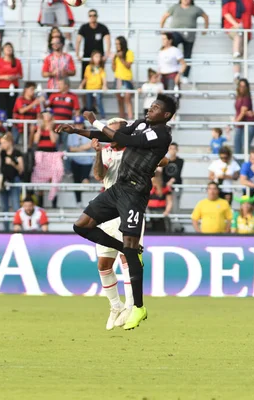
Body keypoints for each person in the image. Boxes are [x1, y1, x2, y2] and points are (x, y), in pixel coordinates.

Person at [57, 94, 178, 330]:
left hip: (135, 194)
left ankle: (139, 308)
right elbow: (109, 137)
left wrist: (94, 121)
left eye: (155, 108)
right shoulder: (142, 124)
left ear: (165, 115)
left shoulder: (162, 134)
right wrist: (76, 131)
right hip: (118, 188)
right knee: (81, 225)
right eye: (150, 105)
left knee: (131, 254)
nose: (149, 109)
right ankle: (125, 249)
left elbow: (126, 140)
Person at [89, 117, 138, 330]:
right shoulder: (107, 152)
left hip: (128, 209)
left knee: (127, 257)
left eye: (114, 131)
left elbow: (163, 161)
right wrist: (98, 152)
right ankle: (115, 306)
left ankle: (130, 305)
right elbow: (99, 175)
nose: (110, 134)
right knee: (103, 264)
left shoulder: (136, 150)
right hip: (108, 209)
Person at [159, 0, 209, 85]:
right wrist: (162, 29)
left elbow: (205, 17)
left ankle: (185, 76)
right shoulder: (175, 7)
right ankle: (171, 70)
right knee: (172, 49)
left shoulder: (195, 9)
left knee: (187, 56)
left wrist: (205, 29)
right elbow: (164, 16)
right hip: (176, 33)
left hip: (189, 36)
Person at [31, 110, 63, 208]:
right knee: (40, 178)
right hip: (41, 154)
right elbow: (36, 140)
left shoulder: (55, 128)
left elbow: (53, 141)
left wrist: (49, 129)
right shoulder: (38, 127)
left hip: (52, 154)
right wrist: (40, 128)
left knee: (53, 177)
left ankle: (54, 202)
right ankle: (41, 203)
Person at [222, 0, 254, 80]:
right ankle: (236, 53)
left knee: (241, 52)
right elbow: (226, 13)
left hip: (246, 30)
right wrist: (236, 24)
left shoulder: (250, 1)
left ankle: (238, 75)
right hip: (233, 27)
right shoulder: (229, 1)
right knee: (238, 35)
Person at [67, 116, 94, 208]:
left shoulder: (88, 133)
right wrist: (82, 148)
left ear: (83, 124)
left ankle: (89, 202)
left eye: (80, 124)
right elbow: (71, 149)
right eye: (77, 124)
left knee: (84, 181)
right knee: (76, 181)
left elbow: (89, 146)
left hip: (87, 161)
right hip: (75, 161)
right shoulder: (71, 135)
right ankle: (78, 201)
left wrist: (77, 148)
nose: (78, 126)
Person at [76, 9, 111, 79]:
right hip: (87, 56)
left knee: (98, 77)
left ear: (97, 16)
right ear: (88, 17)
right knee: (86, 76)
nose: (92, 17)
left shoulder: (102, 28)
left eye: (94, 15)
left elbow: (108, 41)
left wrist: (106, 55)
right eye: (90, 15)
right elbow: (78, 41)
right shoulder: (84, 27)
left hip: (98, 58)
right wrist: (77, 54)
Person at [0, 133, 23, 229]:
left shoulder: (17, 153)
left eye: (4, 143)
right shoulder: (1, 153)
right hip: (4, 181)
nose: (2, 145)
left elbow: (21, 169)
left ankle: (17, 227)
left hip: (14, 180)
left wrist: (12, 163)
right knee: (4, 207)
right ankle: (6, 229)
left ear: (9, 142)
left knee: (16, 205)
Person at [0, 42, 23, 118]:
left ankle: (9, 126)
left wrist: (14, 77)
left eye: (10, 48)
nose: (9, 49)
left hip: (13, 87)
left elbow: (21, 75)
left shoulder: (17, 61)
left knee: (11, 107)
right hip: (1, 87)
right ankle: (3, 126)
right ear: (3, 50)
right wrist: (4, 77)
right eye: (7, 48)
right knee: (2, 107)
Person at [232, 78, 254, 155]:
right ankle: (238, 165)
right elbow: (238, 111)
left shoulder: (246, 98)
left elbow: (243, 112)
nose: (242, 88)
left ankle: (247, 163)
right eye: (240, 86)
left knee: (245, 144)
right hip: (240, 124)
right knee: (237, 145)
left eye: (244, 86)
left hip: (248, 123)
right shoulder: (238, 97)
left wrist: (235, 122)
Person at [79, 50, 107, 118]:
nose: (98, 58)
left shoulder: (101, 68)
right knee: (89, 105)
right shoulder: (88, 67)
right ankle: (89, 118)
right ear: (92, 58)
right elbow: (86, 78)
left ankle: (103, 117)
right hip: (89, 88)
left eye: (99, 57)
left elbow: (104, 78)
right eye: (96, 57)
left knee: (99, 103)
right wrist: (81, 85)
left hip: (98, 88)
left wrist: (104, 85)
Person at [113, 36, 134, 120]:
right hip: (118, 79)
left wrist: (121, 58)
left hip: (126, 78)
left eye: (118, 44)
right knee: (119, 100)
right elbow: (114, 69)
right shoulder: (116, 54)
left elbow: (128, 66)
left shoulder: (129, 52)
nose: (117, 45)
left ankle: (130, 118)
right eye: (116, 44)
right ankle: (121, 119)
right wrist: (113, 60)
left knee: (127, 99)